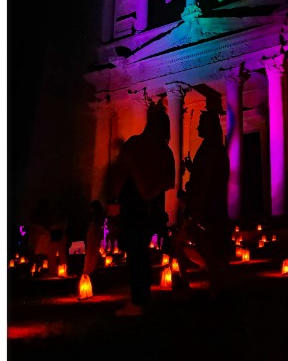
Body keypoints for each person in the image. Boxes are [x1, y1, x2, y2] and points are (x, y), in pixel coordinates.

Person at [107, 101, 175, 315]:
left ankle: (139, 300)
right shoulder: (161, 150)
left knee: (137, 254)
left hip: (137, 205)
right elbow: (167, 181)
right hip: (145, 205)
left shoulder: (140, 145)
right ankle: (141, 298)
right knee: (139, 253)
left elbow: (121, 175)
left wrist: (117, 202)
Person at [175, 109, 230, 276]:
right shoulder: (211, 147)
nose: (198, 127)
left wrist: (196, 205)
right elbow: (205, 174)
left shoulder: (211, 148)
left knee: (197, 245)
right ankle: (214, 277)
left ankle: (212, 279)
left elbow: (208, 179)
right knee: (202, 246)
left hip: (207, 208)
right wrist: (193, 169)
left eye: (201, 124)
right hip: (207, 206)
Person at [84, 200, 105, 274]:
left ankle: (89, 269)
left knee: (92, 251)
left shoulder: (94, 219)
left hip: (94, 231)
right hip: (94, 231)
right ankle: (89, 269)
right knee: (92, 251)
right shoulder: (96, 218)